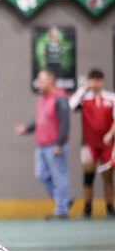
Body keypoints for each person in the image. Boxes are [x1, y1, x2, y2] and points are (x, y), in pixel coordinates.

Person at [16, 69, 72, 219]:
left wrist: (59, 144)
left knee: (59, 177)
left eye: (41, 81)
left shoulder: (60, 98)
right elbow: (41, 121)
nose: (39, 84)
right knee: (40, 174)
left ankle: (62, 210)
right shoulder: (42, 99)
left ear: (51, 81)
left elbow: (65, 123)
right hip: (42, 146)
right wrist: (26, 129)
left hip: (55, 146)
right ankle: (64, 201)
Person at [69, 68, 115, 218]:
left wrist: (110, 134)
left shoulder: (111, 98)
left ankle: (110, 207)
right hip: (89, 145)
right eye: (93, 79)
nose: (96, 83)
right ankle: (87, 208)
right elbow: (70, 105)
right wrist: (84, 88)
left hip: (107, 144)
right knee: (88, 176)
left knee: (108, 176)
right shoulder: (84, 99)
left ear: (103, 81)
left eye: (98, 79)